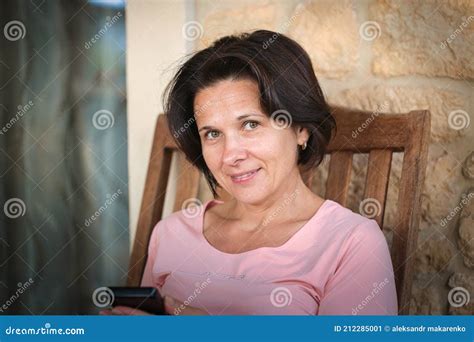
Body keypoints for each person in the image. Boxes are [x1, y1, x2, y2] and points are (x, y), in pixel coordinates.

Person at [101, 30, 397, 316]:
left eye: (250, 125)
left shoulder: (351, 243)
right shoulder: (170, 233)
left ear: (301, 129)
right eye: (213, 133)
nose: (231, 155)